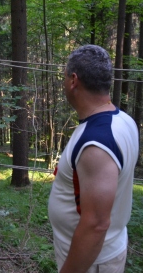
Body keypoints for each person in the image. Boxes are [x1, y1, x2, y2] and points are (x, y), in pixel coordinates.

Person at [48, 45, 139, 273]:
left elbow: (96, 225)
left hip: (91, 262)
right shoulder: (123, 120)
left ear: (74, 80)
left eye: (65, 76)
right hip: (102, 254)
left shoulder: (96, 142)